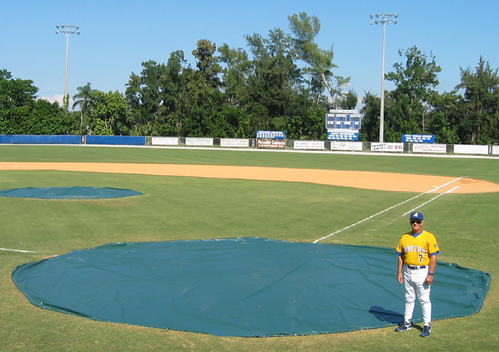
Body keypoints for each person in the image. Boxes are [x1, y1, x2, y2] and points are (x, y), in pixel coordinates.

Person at [395, 211, 440, 337]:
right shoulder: (405, 237)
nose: (415, 223)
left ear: (422, 223)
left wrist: (430, 274)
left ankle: (427, 325)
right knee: (409, 298)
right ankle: (407, 322)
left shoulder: (429, 237)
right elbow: (401, 256)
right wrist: (399, 271)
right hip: (408, 270)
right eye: (412, 221)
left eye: (417, 222)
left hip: (422, 271)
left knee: (424, 299)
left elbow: (433, 257)